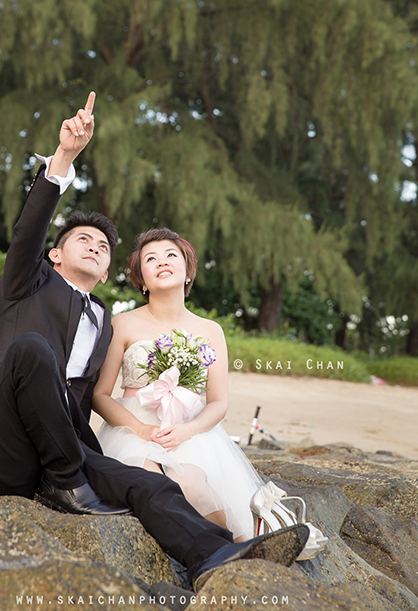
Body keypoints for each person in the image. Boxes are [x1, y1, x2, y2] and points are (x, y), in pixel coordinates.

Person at [0, 92, 309, 587]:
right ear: (54, 257)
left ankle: (214, 557)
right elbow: (28, 233)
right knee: (32, 349)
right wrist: (64, 160)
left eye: (104, 247)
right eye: (84, 240)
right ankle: (71, 483)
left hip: (68, 454)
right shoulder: (24, 285)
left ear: (109, 273)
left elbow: (94, 394)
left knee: (150, 483)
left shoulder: (105, 318)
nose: (97, 248)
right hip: (6, 454)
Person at [93, 229, 326, 558]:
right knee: (149, 480)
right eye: (151, 258)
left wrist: (187, 430)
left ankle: (239, 551)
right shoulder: (122, 324)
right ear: (140, 278)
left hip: (191, 430)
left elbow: (218, 402)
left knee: (192, 486)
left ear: (187, 271)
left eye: (171, 255)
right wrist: (141, 429)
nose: (162, 261)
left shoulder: (209, 330)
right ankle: (213, 555)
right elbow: (100, 394)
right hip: (132, 427)